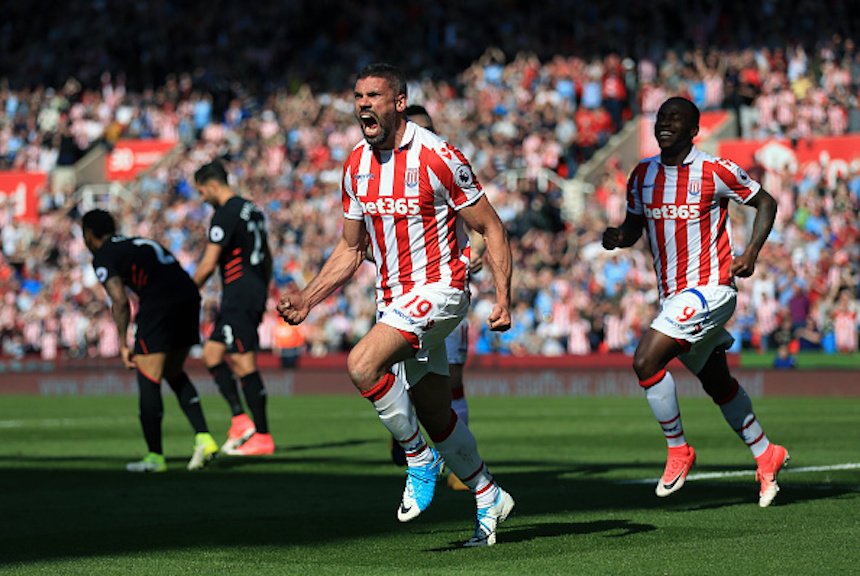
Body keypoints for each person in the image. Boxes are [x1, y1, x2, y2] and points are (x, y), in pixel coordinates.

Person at [278, 63, 514, 546]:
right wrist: (308, 297)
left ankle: (418, 459)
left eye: (374, 96)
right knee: (435, 413)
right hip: (394, 301)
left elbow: (491, 226)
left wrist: (503, 298)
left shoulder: (438, 157)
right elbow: (351, 248)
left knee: (362, 364)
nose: (363, 104)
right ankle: (488, 493)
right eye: (358, 96)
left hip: (441, 290)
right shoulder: (355, 165)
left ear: (399, 103)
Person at [602, 97, 789, 507]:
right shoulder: (642, 175)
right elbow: (633, 228)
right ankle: (767, 454)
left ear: (693, 130)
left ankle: (679, 450)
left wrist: (751, 252)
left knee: (646, 361)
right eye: (661, 117)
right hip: (673, 297)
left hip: (712, 288)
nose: (665, 123)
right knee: (717, 382)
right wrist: (618, 238)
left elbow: (766, 201)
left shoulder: (714, 169)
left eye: (675, 118)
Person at [385, 104, 484, 492]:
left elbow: (480, 222)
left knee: (453, 379)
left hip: (443, 291)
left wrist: (475, 252)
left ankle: (460, 467)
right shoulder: (384, 175)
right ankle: (410, 438)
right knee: (403, 377)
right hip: (399, 295)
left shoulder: (444, 164)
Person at [81, 209, 218, 472]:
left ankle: (155, 458)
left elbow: (120, 300)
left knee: (147, 374)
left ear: (88, 235)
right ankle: (205, 439)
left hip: (160, 303)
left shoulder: (103, 255)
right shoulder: (139, 241)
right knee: (173, 371)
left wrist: (123, 343)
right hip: (190, 298)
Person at [193, 159, 275, 456]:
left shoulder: (225, 214)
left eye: (202, 192)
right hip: (250, 290)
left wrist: (184, 293)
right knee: (212, 354)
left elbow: (208, 263)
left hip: (239, 293)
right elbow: (267, 256)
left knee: (243, 361)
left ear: (213, 185)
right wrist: (261, 287)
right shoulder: (251, 209)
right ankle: (240, 420)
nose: (202, 198)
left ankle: (262, 436)